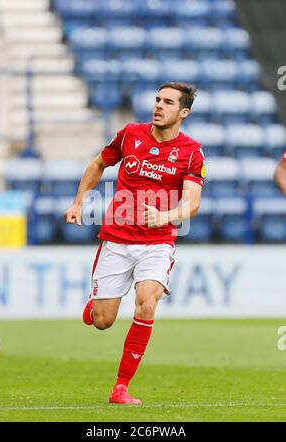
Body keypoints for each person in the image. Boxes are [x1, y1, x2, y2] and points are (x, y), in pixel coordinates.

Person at [64, 82, 206, 405]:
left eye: (168, 102)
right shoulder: (130, 134)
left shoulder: (192, 152)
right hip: (117, 237)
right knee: (103, 321)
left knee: (146, 302)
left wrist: (166, 215)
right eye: (157, 99)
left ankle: (121, 387)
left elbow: (192, 203)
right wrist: (77, 202)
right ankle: (94, 306)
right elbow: (98, 163)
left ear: (183, 112)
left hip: (158, 242)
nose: (158, 105)